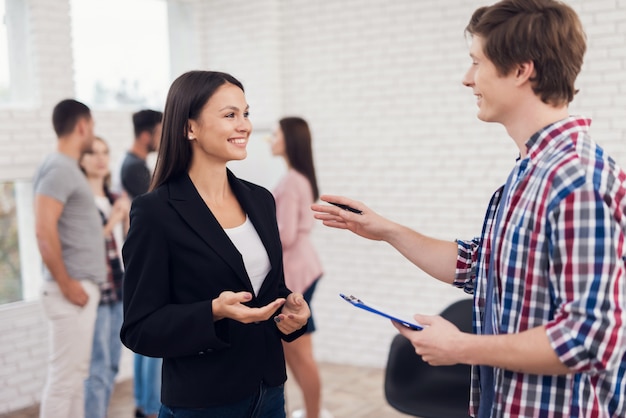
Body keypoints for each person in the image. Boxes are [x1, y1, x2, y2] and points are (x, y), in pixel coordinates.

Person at [312, 1, 626, 417]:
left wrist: (461, 347)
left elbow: (589, 338)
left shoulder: (576, 180)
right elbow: (480, 267)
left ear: (520, 70)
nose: (467, 79)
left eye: (477, 62)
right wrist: (385, 229)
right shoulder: (530, 171)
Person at [120, 70, 311, 418]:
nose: (245, 126)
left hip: (269, 393)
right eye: (229, 115)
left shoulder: (261, 200)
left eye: (246, 113)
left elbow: (267, 289)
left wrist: (291, 313)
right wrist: (212, 311)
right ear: (189, 127)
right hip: (203, 401)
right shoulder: (155, 212)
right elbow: (139, 328)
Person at [33, 99, 106, 418]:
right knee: (64, 381)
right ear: (82, 126)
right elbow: (42, 229)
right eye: (91, 126)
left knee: (75, 380)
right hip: (70, 291)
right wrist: (65, 283)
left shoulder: (66, 168)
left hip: (78, 289)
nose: (93, 132)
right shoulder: (60, 167)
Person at [269, 117, 328, 418]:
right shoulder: (299, 178)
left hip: (296, 273)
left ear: (289, 139)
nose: (270, 138)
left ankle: (313, 415)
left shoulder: (292, 180)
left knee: (300, 354)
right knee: (296, 354)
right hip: (304, 268)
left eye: (275, 133)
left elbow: (286, 234)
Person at [80, 136, 131, 418]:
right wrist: (113, 219)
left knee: (111, 364)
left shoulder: (115, 197)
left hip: (119, 289)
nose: (100, 158)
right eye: (92, 152)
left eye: (104, 152)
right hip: (96, 292)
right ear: (81, 160)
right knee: (99, 369)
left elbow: (126, 245)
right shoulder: (80, 200)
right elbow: (86, 247)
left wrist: (124, 220)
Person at [119, 108, 163, 418]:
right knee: (154, 335)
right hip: (150, 260)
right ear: (147, 134)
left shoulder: (134, 165)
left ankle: (142, 402)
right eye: (160, 132)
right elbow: (154, 212)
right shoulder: (135, 169)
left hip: (144, 258)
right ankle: (149, 406)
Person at [120, 109, 163, 199]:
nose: (163, 139)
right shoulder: (135, 166)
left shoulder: (132, 161)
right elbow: (153, 201)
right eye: (160, 134)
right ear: (145, 137)